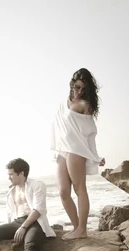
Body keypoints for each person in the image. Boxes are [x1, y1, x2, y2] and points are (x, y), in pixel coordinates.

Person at [51, 68, 105, 240]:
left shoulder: (85, 105)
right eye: (77, 87)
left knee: (79, 189)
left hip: (76, 149)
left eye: (83, 89)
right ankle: (76, 228)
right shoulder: (64, 102)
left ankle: (82, 229)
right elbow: (58, 127)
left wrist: (95, 156)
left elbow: (90, 133)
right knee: (63, 192)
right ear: (72, 84)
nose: (79, 91)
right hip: (62, 150)